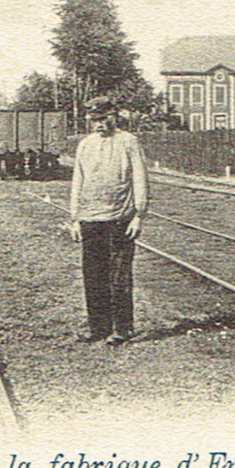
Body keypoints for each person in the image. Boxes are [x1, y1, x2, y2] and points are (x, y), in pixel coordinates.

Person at [68, 96, 149, 345]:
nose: (98, 125)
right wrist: (74, 218)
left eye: (103, 119)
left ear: (114, 117)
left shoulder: (128, 142)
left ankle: (123, 329)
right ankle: (98, 328)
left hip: (120, 219)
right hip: (90, 218)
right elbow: (77, 181)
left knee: (119, 276)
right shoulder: (85, 145)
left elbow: (140, 178)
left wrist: (139, 215)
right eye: (94, 120)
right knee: (93, 276)